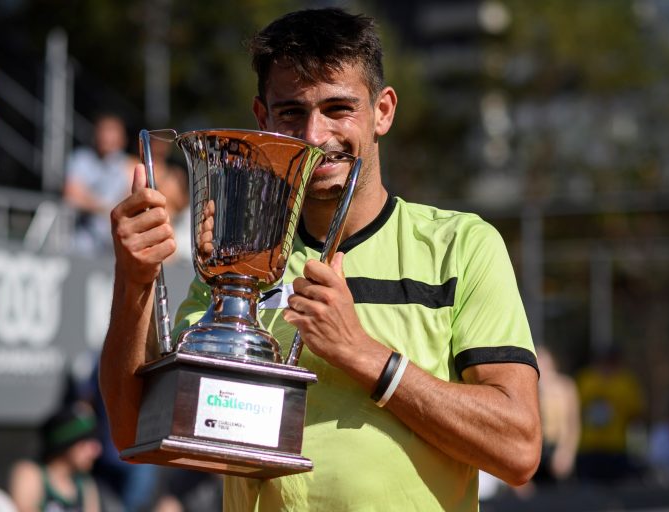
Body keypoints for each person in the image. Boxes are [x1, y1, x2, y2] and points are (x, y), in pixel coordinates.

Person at [99, 8, 541, 511]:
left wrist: (361, 354)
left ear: (383, 111)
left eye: (338, 108)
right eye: (291, 112)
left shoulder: (462, 245)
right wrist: (134, 280)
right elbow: (135, 430)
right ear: (262, 118)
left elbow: (519, 448)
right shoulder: (236, 258)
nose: (314, 135)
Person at [63, 112, 136, 256]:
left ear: (122, 138)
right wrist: (107, 207)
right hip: (82, 243)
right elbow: (71, 196)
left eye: (112, 131)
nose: (107, 137)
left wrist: (90, 201)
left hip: (117, 243)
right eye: (104, 130)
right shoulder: (80, 159)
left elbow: (131, 201)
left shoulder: (130, 166)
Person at [8, 402, 103, 512]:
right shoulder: (30, 473)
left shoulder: (85, 484)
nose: (97, 451)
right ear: (66, 445)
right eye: (85, 443)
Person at [575, 345, 645, 483]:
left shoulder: (626, 382)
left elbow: (636, 413)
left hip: (616, 447)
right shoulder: (585, 379)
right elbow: (574, 410)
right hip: (588, 447)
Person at [534, 345, 580, 484]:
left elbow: (573, 423)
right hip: (537, 450)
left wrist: (567, 452)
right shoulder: (531, 387)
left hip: (558, 449)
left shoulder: (564, 387)